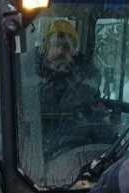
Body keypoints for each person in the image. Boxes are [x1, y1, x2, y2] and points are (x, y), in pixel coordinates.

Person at [36, 19, 109, 152]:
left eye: (66, 47)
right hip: (38, 141)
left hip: (79, 139)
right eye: (55, 45)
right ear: (45, 47)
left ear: (74, 50)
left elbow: (95, 107)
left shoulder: (86, 77)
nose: (60, 51)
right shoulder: (29, 73)